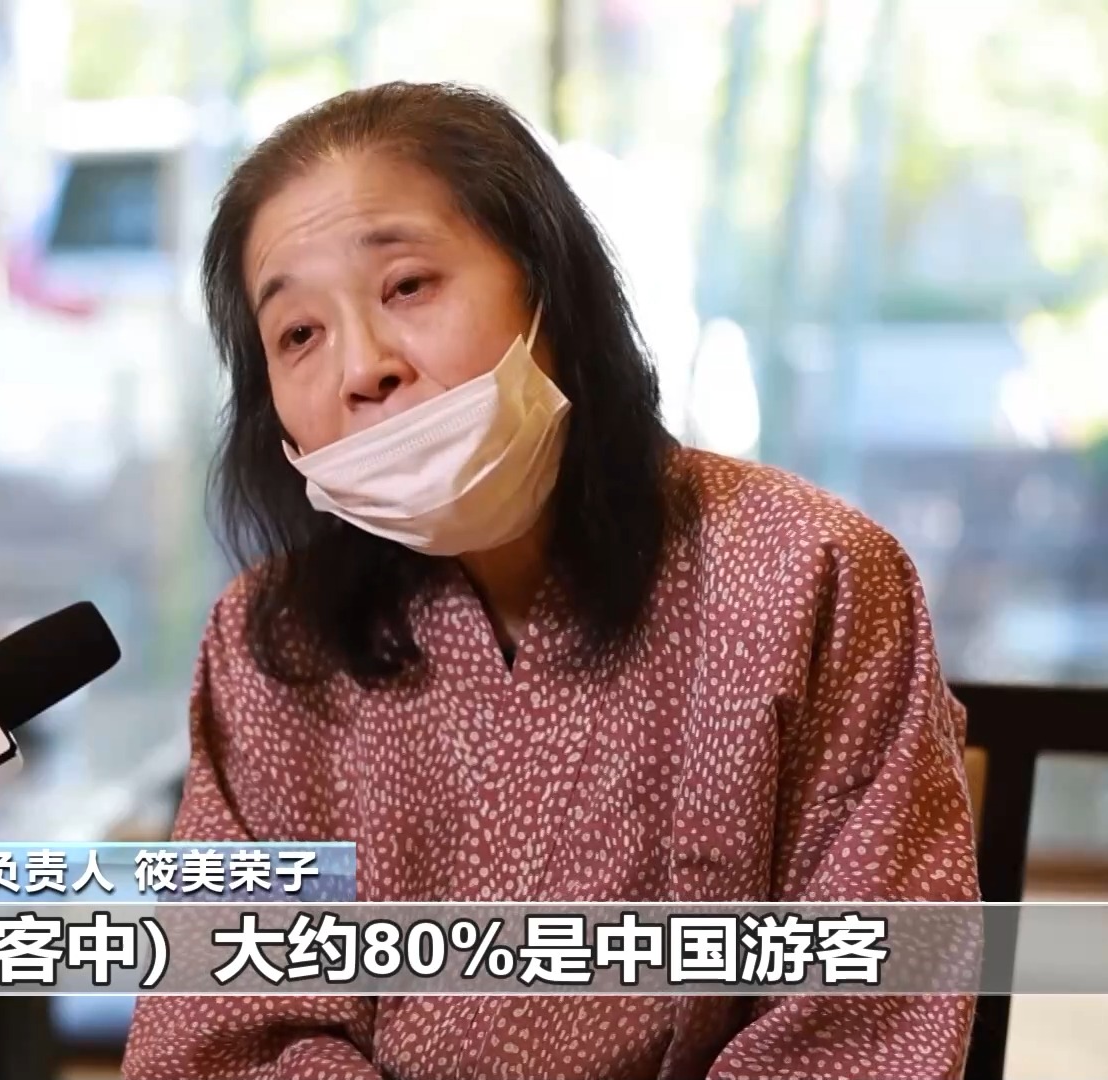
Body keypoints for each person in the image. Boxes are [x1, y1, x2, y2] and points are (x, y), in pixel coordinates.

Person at [121, 82, 980, 1080]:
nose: (362, 367)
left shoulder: (809, 573)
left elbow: (865, 1018)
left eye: (407, 285)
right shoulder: (270, 642)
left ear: (549, 293)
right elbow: (228, 1033)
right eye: (299, 334)